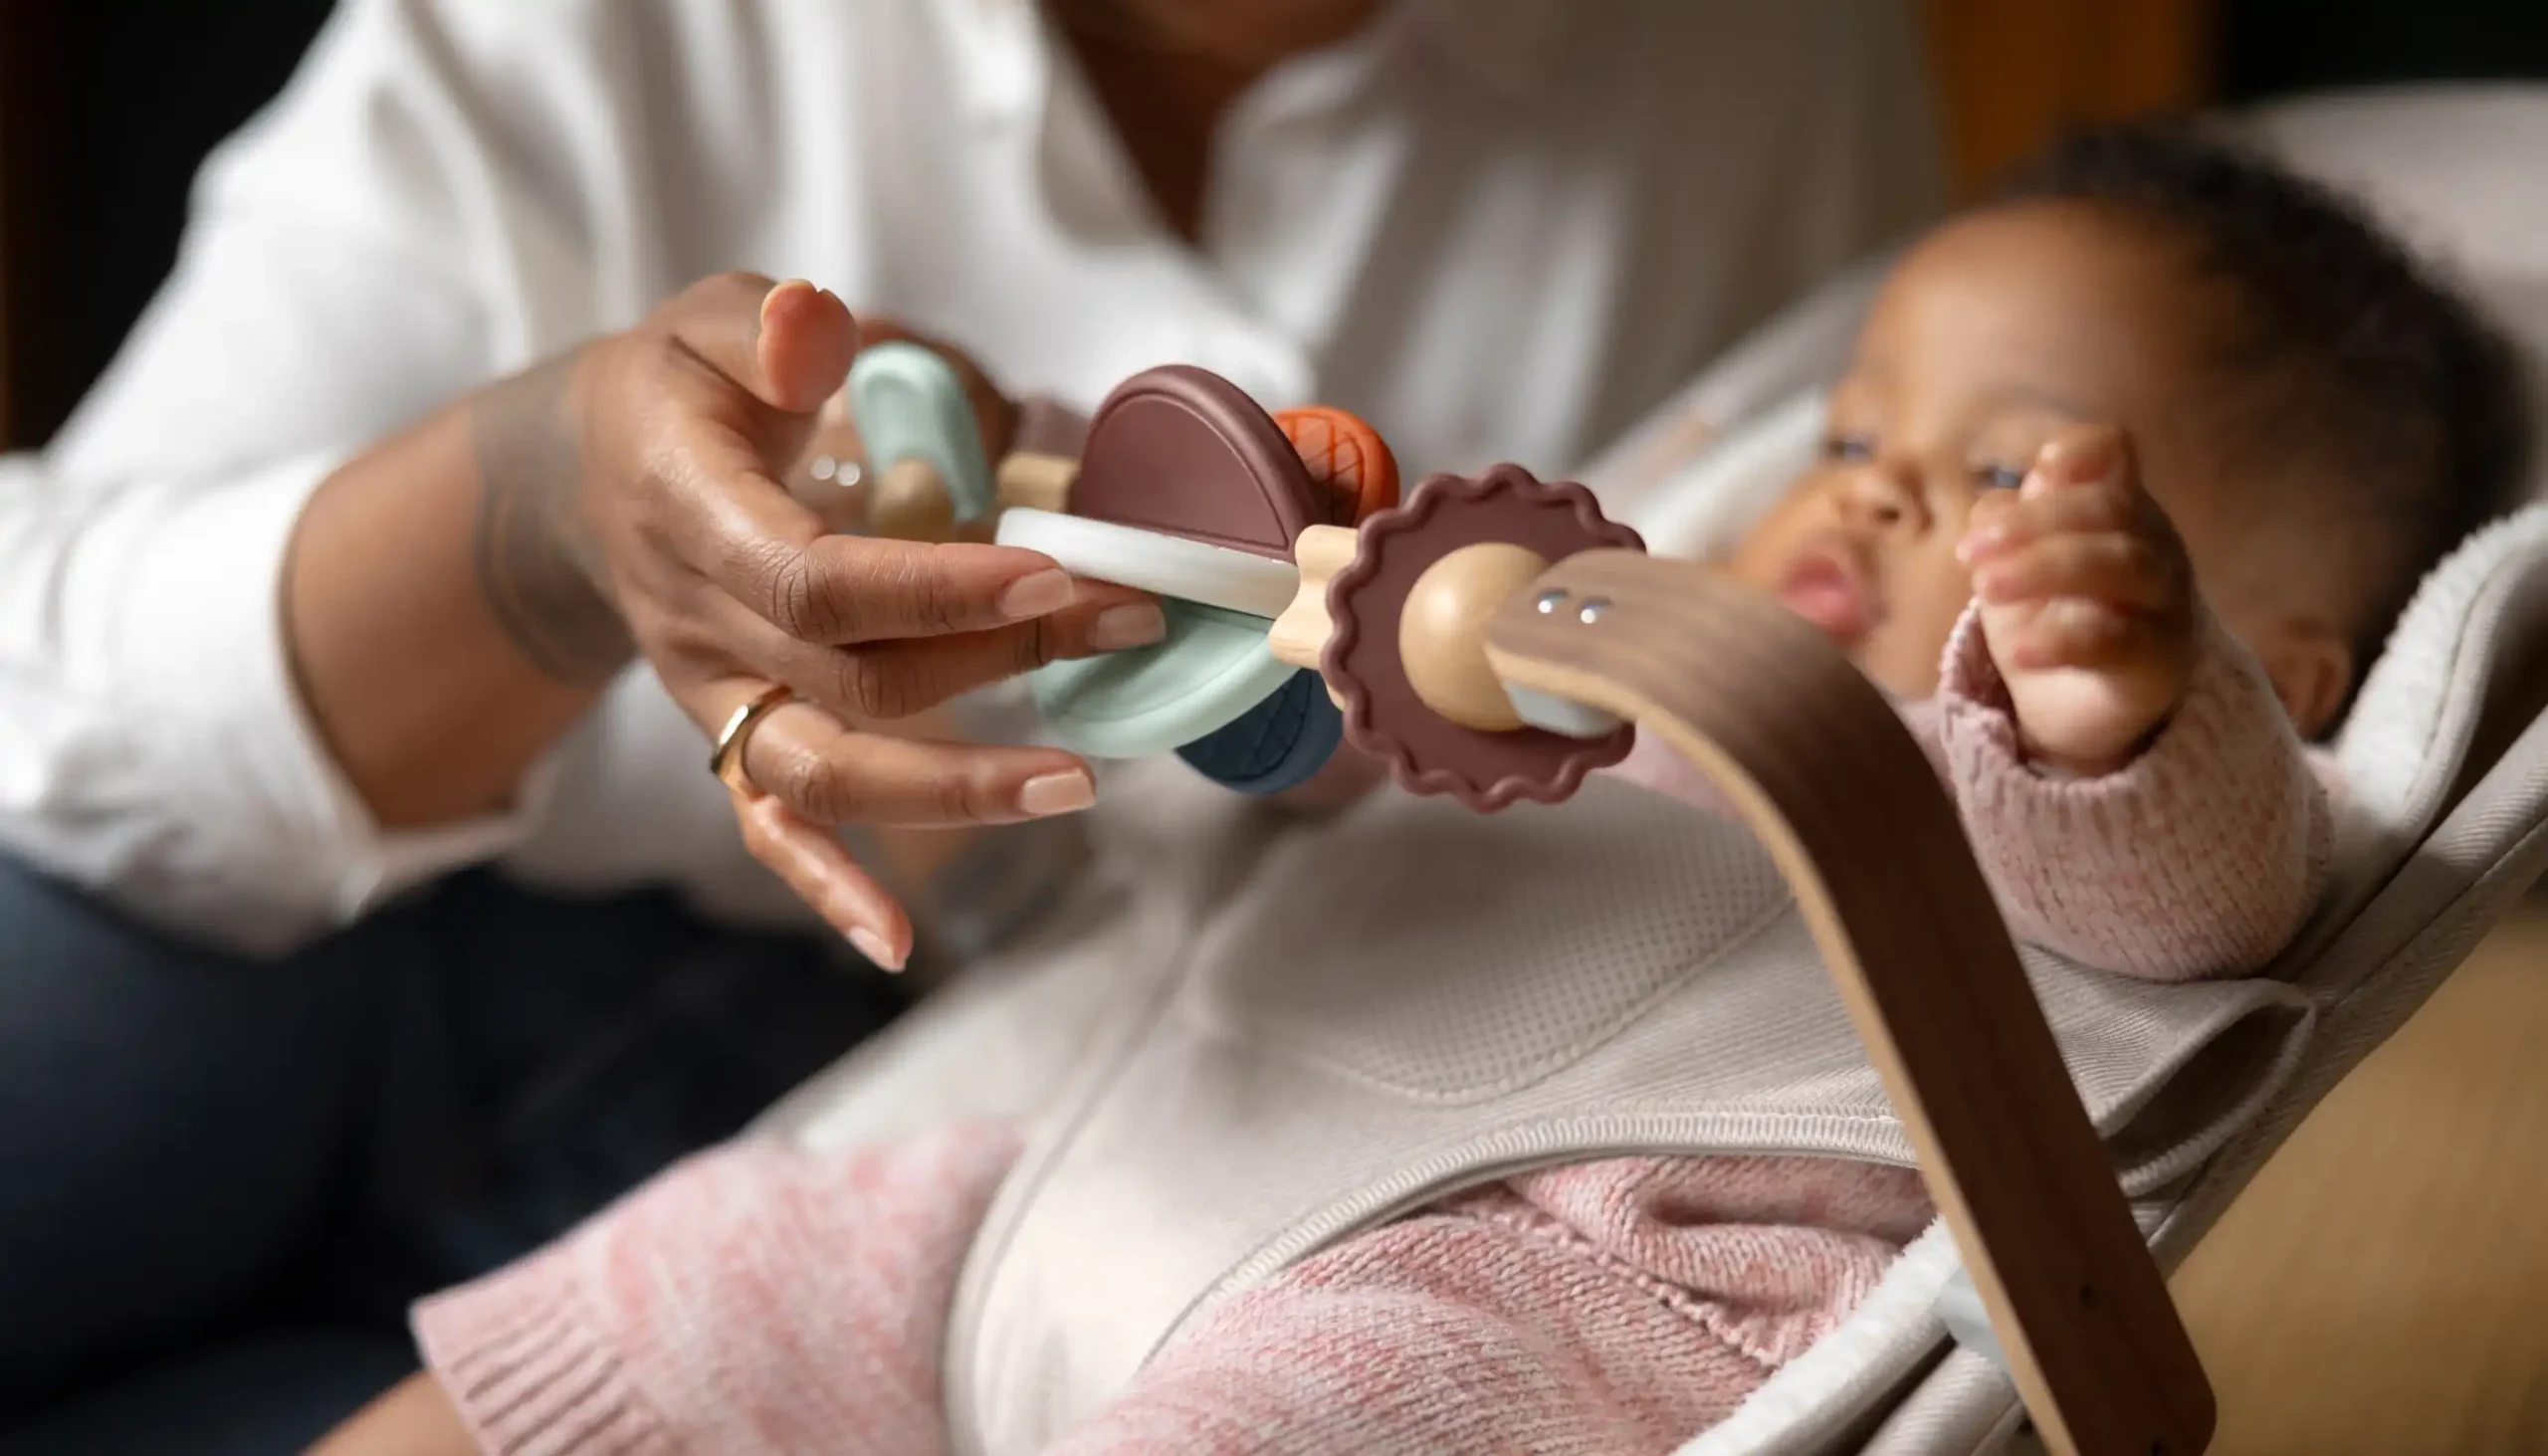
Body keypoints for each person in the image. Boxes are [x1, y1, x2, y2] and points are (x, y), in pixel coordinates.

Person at [309, 123, 2531, 1456]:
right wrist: (1260, 626)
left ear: (2280, 659)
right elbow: (1282, 804)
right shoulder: (1595, 649)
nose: (1864, 491)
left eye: (1988, 472)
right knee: (718, 1269)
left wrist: (2114, 697)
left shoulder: (2104, 787)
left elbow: (2205, 889)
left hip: (1561, 1271)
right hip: (1142, 1155)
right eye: (1855, 432)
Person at [0, 0, 1943, 1445]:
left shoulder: (1762, 67)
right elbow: (39, 684)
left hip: (921, 1173)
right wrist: (541, 520)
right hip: (289, 955)